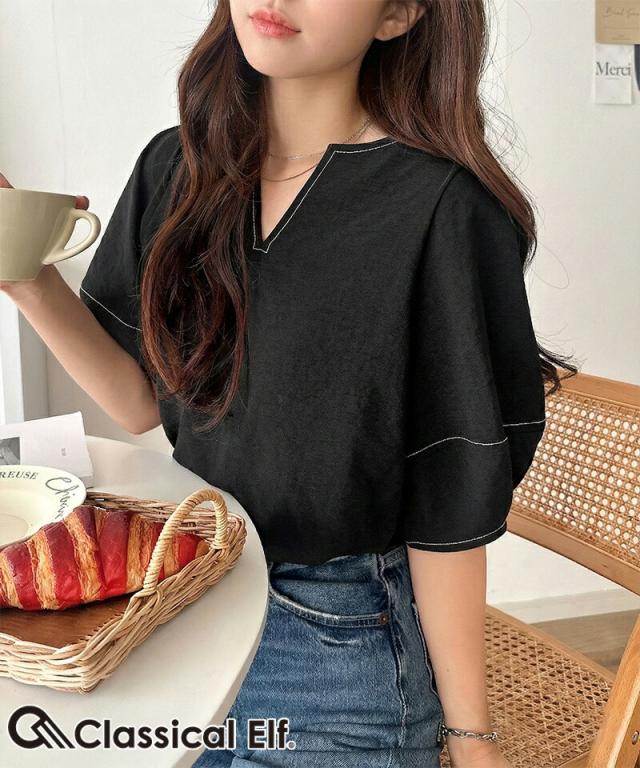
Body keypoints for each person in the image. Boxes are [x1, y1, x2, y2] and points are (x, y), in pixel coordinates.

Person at [0, 1, 577, 766]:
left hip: (337, 644)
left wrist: (472, 736)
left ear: (399, 14)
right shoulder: (176, 170)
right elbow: (138, 402)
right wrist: (26, 275)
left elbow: (447, 510)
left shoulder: (442, 210)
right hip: (188, 594)